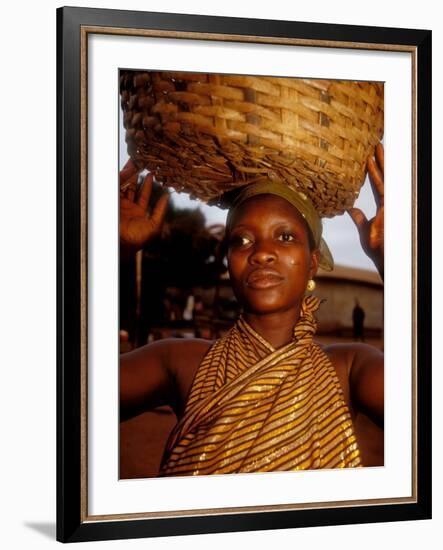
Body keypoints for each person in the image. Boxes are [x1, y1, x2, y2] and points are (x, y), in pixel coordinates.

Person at [119, 144, 385, 474]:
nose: (261, 253)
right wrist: (109, 250)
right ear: (228, 260)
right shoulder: (179, 362)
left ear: (313, 262)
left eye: (285, 236)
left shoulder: (349, 369)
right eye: (242, 240)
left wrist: (399, 263)